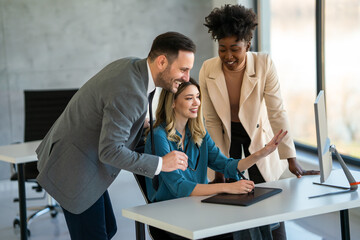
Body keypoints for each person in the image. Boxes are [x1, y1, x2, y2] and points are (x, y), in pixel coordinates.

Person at [35, 31, 196, 240]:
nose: (186, 77)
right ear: (162, 62)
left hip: (81, 158)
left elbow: (113, 111)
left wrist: (138, 124)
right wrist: (161, 164)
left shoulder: (133, 66)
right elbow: (110, 151)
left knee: (108, 229)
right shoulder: (129, 90)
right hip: (74, 168)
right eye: (183, 69)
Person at [199, 4, 319, 239]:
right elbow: (211, 120)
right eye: (222, 49)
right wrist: (218, 166)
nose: (228, 56)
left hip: (258, 136)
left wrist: (290, 158)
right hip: (226, 137)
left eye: (235, 49)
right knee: (230, 200)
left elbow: (277, 112)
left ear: (248, 44)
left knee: (270, 201)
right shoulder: (207, 69)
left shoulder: (264, 64)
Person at [144, 78, 287, 240]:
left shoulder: (199, 133)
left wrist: (262, 153)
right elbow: (179, 187)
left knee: (254, 221)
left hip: (199, 207)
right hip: (171, 213)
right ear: (172, 103)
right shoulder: (158, 136)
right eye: (189, 98)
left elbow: (226, 165)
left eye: (198, 96)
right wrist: (227, 187)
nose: (196, 102)